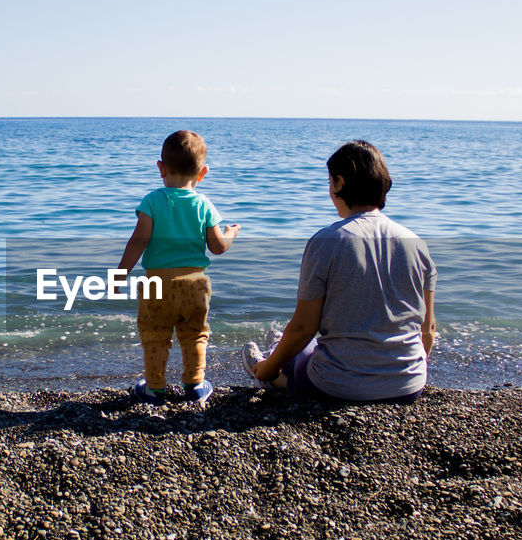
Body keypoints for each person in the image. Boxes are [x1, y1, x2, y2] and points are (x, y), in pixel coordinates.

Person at [243, 140, 436, 402]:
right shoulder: (417, 245)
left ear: (339, 183)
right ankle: (276, 352)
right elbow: (428, 329)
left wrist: (270, 368)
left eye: (330, 181)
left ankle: (270, 372)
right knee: (307, 348)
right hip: (408, 385)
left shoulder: (327, 241)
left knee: (299, 355)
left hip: (337, 385)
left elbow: (303, 327)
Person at [118, 130, 240, 404]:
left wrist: (120, 274)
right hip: (195, 284)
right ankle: (195, 385)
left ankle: (155, 387)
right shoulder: (204, 204)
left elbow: (138, 240)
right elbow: (218, 247)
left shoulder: (152, 201)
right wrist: (231, 232)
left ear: (160, 168)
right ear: (203, 172)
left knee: (155, 335)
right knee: (195, 334)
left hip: (157, 283)